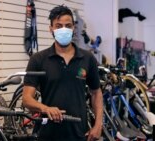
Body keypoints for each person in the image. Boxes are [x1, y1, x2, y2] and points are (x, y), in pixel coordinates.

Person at [22, 5, 103, 141]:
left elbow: (96, 93)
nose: (63, 29)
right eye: (59, 26)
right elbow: (26, 99)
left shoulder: (87, 58)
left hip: (79, 134)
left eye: (68, 25)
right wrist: (45, 108)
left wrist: (98, 125)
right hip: (47, 134)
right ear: (51, 29)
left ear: (73, 28)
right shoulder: (38, 59)